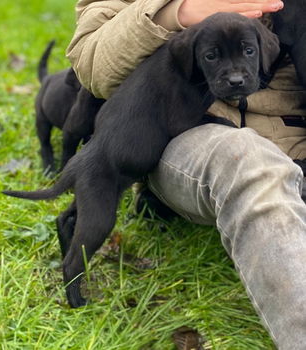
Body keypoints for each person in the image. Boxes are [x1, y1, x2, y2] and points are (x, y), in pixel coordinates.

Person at [66, 0, 306, 348]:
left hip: (295, 139)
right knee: (250, 163)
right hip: (195, 137)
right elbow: (92, 63)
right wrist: (173, 13)